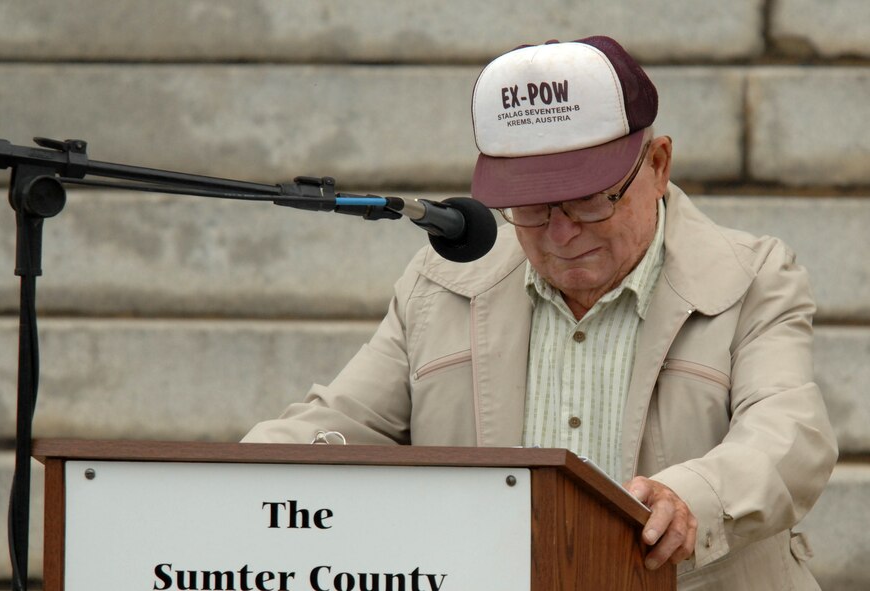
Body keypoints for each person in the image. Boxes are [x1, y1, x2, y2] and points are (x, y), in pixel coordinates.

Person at [244, 36, 837, 589]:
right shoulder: (442, 282)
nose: (559, 233)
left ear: (657, 166)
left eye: (587, 200)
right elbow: (343, 421)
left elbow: (789, 436)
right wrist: (220, 486)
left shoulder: (754, 275)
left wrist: (693, 498)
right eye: (528, 207)